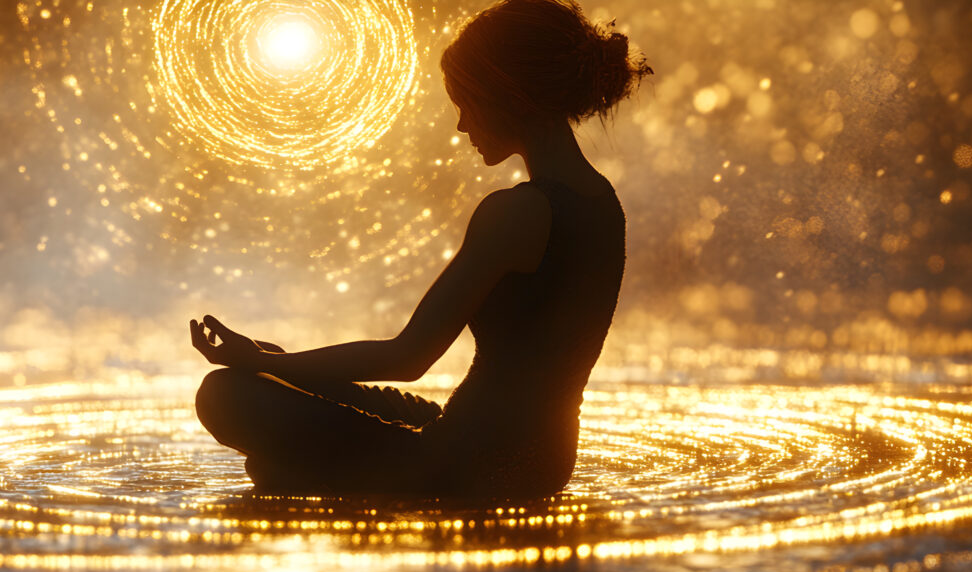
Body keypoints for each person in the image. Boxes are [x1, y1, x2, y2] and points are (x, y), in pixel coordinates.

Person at [189, 0, 650, 498]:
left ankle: (323, 469)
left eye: (465, 102)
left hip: (468, 464)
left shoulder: (518, 212)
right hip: (542, 459)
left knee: (226, 394)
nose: (461, 125)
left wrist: (264, 368)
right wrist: (274, 362)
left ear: (507, 96)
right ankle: (308, 460)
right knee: (286, 381)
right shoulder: (602, 200)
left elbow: (408, 359)